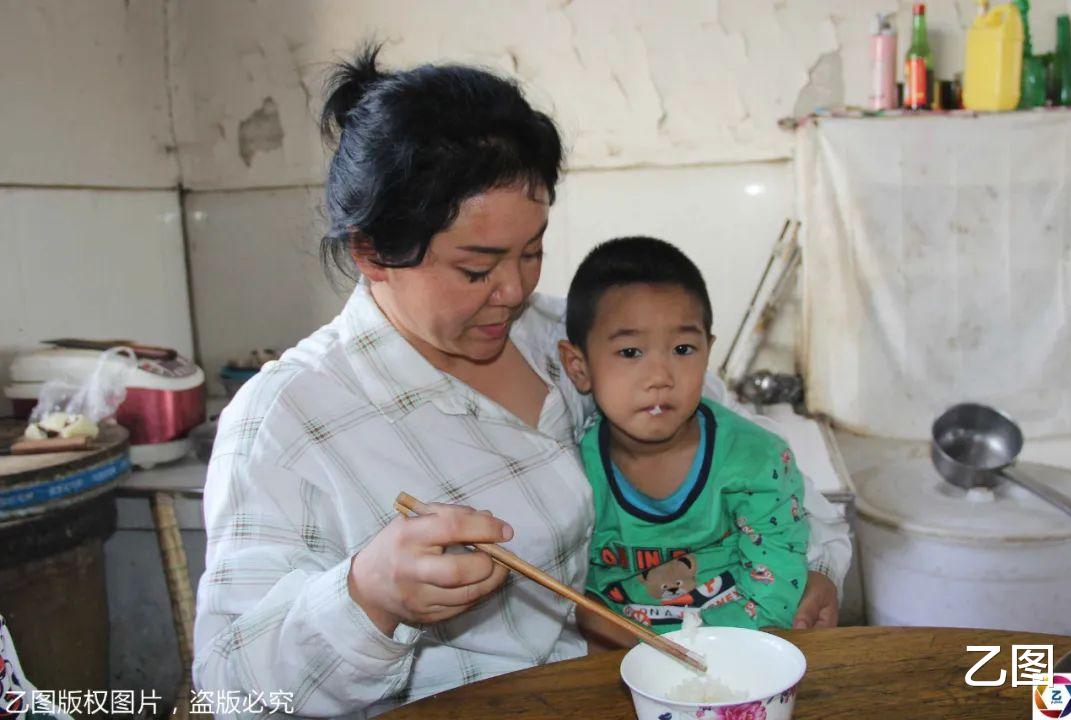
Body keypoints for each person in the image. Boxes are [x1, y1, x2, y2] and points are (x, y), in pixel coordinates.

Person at [193, 44, 851, 719]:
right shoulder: (292, 416)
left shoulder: (569, 339)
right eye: (477, 269)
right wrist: (368, 595)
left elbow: (765, 474)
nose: (512, 290)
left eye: (532, 250)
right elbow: (233, 689)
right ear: (372, 252)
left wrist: (818, 572)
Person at [557, 238, 807, 648]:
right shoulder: (574, 474)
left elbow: (776, 590)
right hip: (621, 663)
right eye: (631, 351)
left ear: (708, 352)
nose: (660, 376)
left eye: (683, 349)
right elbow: (582, 601)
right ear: (578, 366)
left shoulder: (758, 460)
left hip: (741, 655)